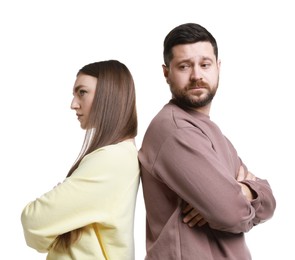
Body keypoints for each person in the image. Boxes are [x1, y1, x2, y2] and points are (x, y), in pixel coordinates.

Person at [138, 23, 276, 260]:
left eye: (204, 64)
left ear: (218, 67)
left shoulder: (211, 131)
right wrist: (231, 197)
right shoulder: (175, 130)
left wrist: (242, 191)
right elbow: (231, 213)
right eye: (184, 66)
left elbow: (270, 203)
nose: (196, 76)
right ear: (166, 73)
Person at [21, 60, 140, 259]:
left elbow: (33, 221)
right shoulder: (119, 156)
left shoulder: (112, 159)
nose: (73, 104)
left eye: (82, 92)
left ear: (108, 95)